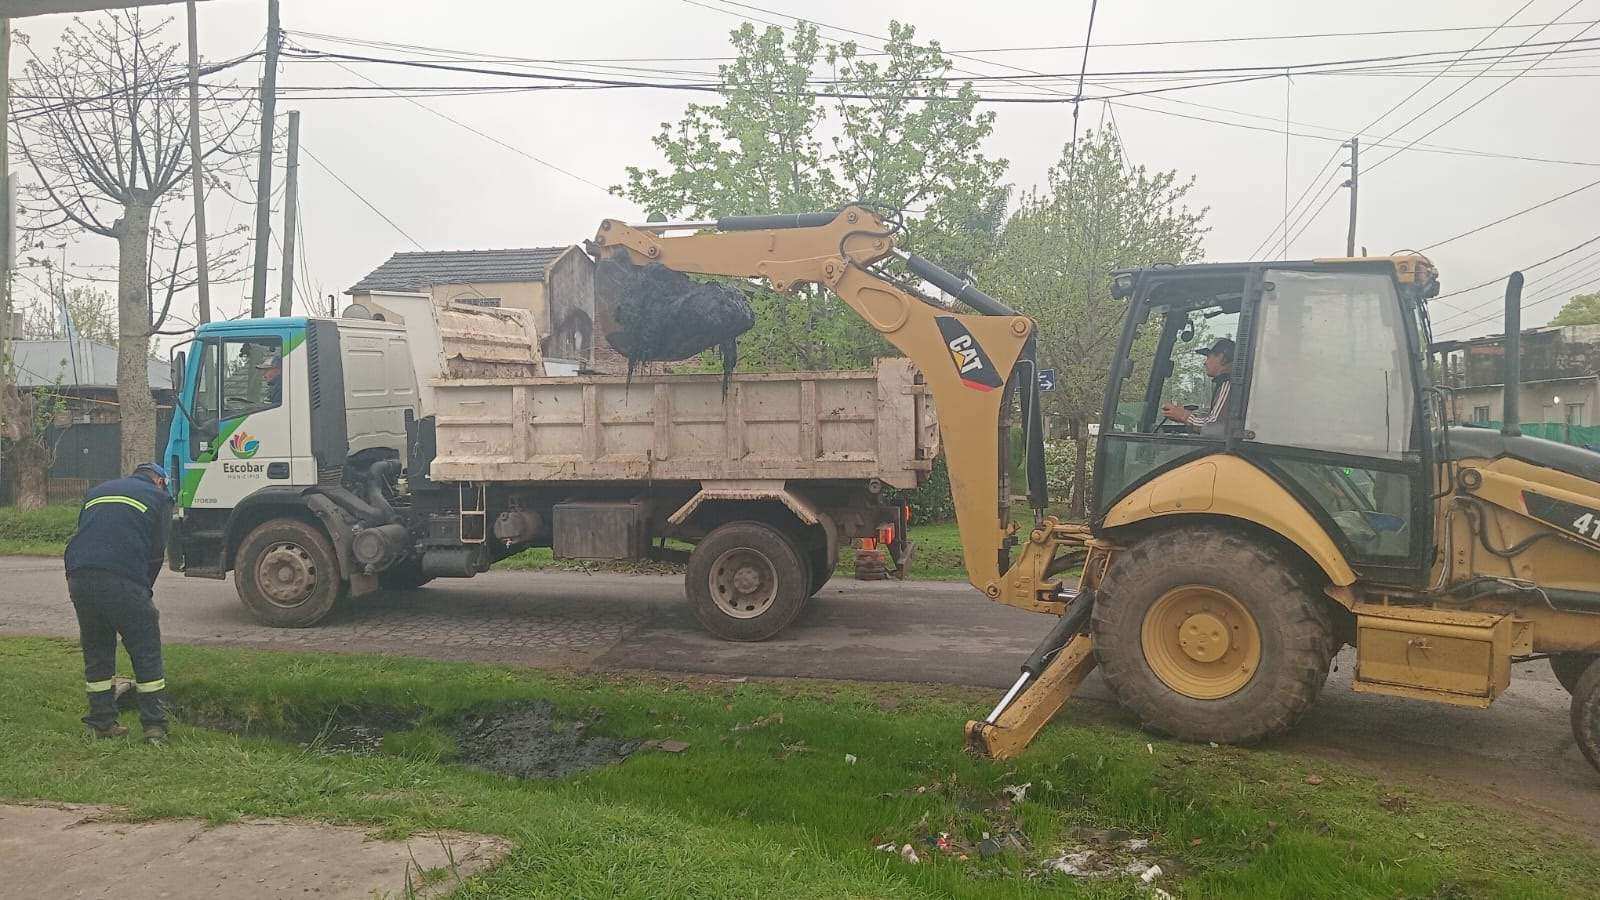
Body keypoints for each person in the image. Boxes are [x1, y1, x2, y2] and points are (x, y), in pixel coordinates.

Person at [64, 462, 174, 743]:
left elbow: (86, 534)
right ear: (160, 481)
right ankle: (154, 728)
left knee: (98, 648)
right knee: (145, 650)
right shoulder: (159, 498)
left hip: (80, 576)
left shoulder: (97, 491)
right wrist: (143, 590)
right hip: (122, 578)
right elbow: (156, 552)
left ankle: (101, 723)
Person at [1162, 337, 1234, 432]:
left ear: (1222, 357)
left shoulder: (1227, 384)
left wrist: (1184, 416)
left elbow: (1214, 425)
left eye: (1208, 357)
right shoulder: (1225, 384)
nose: (1205, 363)